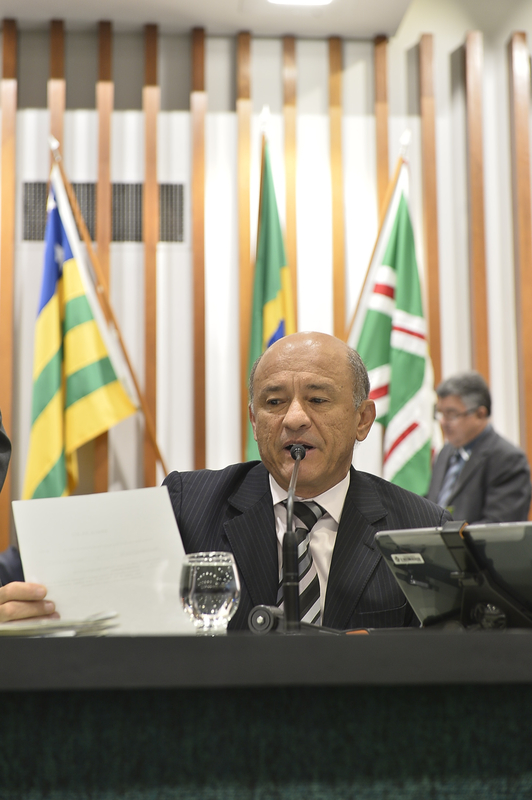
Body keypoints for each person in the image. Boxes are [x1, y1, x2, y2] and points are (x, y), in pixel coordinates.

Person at [0, 332, 450, 630]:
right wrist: (26, 607)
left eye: (317, 399)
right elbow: (69, 576)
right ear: (254, 421)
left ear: (362, 419)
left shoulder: (423, 528)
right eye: (274, 402)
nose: (294, 418)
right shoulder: (186, 504)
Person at [427, 371, 531, 524]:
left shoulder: (508, 459)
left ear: (480, 414)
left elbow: (498, 526)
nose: (443, 422)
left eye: (452, 414)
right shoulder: (445, 453)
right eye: (441, 413)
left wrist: (448, 536)